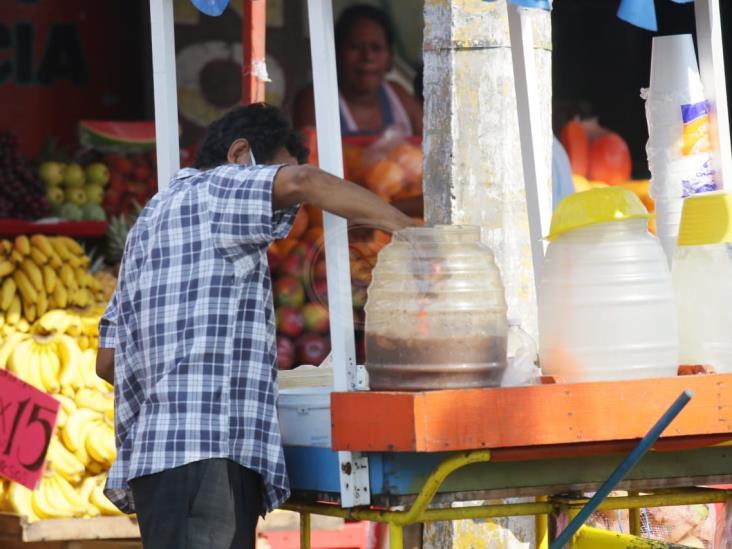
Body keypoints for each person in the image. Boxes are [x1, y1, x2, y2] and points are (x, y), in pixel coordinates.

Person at [95, 103, 414, 549]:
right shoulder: (218, 189)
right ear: (240, 154)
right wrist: (410, 231)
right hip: (206, 458)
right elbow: (307, 180)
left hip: (157, 460)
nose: (287, 202)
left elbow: (107, 362)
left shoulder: (148, 221)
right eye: (276, 175)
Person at [293, 4, 423, 137]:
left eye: (376, 48)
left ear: (390, 57)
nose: (367, 56)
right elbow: (309, 153)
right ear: (335, 53)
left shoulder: (398, 97)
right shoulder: (316, 100)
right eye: (355, 47)